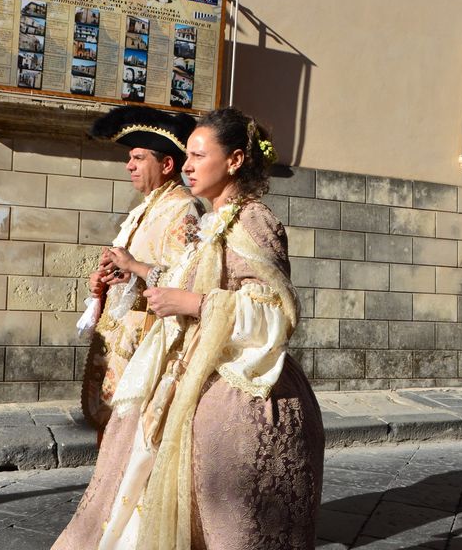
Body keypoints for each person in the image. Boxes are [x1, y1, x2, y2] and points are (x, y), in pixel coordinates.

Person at [53, 107, 325, 550]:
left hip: (229, 384)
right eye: (187, 156)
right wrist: (139, 281)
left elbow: (276, 313)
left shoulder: (255, 221)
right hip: (181, 374)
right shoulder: (214, 221)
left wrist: (195, 303)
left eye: (198, 155)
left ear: (234, 160)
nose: (187, 165)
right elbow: (185, 285)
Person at [80, 105, 204, 434]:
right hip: (120, 335)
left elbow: (187, 279)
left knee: (135, 437)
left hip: (147, 340)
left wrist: (132, 265)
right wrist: (106, 281)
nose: (129, 166)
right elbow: (133, 276)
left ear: (166, 164)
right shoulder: (144, 208)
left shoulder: (183, 208)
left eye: (138, 158)